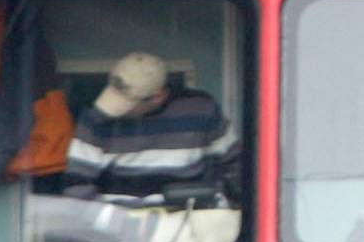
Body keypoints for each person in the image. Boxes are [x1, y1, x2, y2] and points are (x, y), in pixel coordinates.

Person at [66, 51, 236, 201]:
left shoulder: (201, 108)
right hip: (117, 218)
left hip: (186, 214)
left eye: (128, 102)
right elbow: (76, 185)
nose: (114, 109)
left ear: (158, 96)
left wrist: (215, 201)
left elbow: (233, 164)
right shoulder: (95, 115)